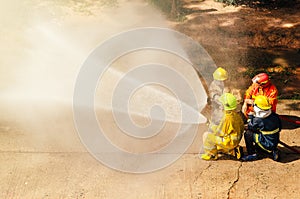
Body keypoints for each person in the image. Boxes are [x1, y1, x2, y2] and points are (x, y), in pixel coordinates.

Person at [201, 93, 244, 160]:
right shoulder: (236, 115)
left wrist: (210, 126)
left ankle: (211, 155)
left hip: (229, 142)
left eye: (221, 104)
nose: (220, 106)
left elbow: (219, 132)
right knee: (217, 144)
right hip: (235, 141)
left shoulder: (226, 118)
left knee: (207, 136)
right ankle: (233, 151)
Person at [242, 95, 281, 161]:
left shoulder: (258, 120)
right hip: (274, 141)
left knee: (248, 134)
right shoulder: (275, 116)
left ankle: (252, 154)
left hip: (266, 143)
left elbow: (250, 126)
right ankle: (273, 151)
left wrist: (250, 116)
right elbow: (279, 128)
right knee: (264, 133)